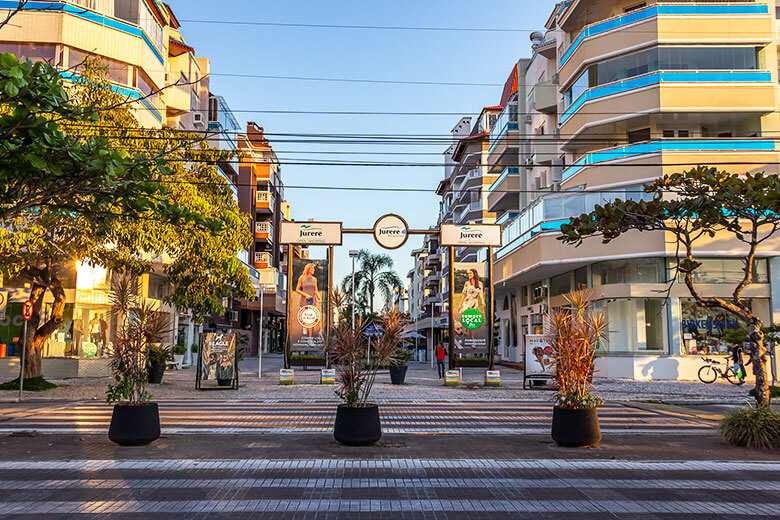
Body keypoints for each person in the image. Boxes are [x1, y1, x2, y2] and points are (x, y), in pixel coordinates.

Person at [457, 268, 485, 347]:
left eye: (470, 273)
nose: (469, 275)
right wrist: (460, 304)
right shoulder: (466, 283)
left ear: (474, 274)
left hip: (474, 303)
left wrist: (482, 301)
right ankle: (473, 341)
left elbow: (480, 293)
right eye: (468, 273)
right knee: (469, 321)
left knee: (470, 320)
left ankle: (466, 330)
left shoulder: (480, 283)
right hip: (467, 302)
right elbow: (464, 294)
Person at [295, 263, 322, 337]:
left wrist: (319, 298)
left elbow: (316, 290)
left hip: (312, 300)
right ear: (308, 269)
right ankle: (304, 326)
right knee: (305, 315)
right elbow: (297, 289)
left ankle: (310, 337)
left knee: (312, 317)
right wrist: (305, 295)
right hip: (304, 300)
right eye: (312, 268)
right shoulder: (302, 278)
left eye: (314, 269)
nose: (313, 270)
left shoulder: (314, 279)